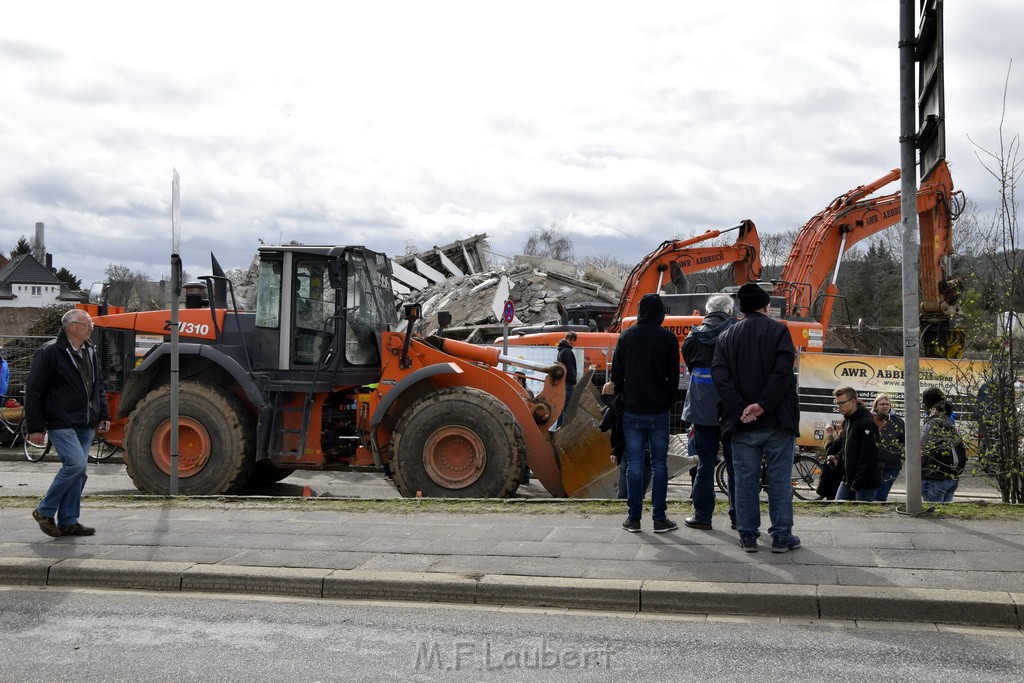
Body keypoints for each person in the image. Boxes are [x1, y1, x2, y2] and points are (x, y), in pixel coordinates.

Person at [712, 282, 801, 553]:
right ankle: (781, 536)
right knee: (779, 480)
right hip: (777, 420)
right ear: (765, 307)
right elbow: (783, 372)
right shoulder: (779, 331)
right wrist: (762, 405)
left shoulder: (726, 336)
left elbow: (720, 375)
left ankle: (748, 535)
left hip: (741, 424)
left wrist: (742, 408)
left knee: (745, 480)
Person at [26, 309, 111, 538]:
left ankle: (68, 521)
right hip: (61, 421)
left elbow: (98, 386)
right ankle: (44, 510)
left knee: (80, 472)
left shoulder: (90, 351)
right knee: (75, 465)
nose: (91, 328)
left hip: (86, 422)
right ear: (71, 326)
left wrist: (103, 415)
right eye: (87, 324)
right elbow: (34, 391)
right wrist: (35, 427)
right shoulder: (50, 352)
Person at [610, 293, 680, 533]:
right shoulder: (668, 338)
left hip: (631, 410)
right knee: (660, 465)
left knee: (634, 466)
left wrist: (624, 395)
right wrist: (667, 400)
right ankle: (659, 518)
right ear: (661, 313)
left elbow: (616, 374)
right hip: (658, 410)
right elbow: (674, 377)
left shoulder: (626, 336)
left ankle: (634, 518)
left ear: (640, 311)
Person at [681, 293, 737, 530]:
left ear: (707, 311)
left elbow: (691, 365)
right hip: (732, 407)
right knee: (736, 465)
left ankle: (703, 516)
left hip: (702, 407)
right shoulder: (736, 332)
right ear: (729, 311)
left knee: (705, 463)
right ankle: (739, 517)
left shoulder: (693, 336)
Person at [827, 387, 880, 502]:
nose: (838, 406)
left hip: (864, 484)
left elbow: (869, 456)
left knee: (862, 517)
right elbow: (849, 448)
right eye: (837, 403)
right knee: (838, 514)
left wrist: (857, 483)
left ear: (853, 402)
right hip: (847, 480)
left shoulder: (867, 423)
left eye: (842, 403)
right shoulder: (848, 422)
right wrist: (838, 456)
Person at [921, 387, 964, 502]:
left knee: (934, 512)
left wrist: (919, 471)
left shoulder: (933, 423)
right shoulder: (950, 421)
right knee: (945, 512)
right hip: (952, 475)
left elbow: (924, 448)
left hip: (935, 477)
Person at [872, 393, 905, 501]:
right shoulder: (870, 419)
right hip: (873, 465)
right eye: (882, 404)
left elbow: (904, 442)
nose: (885, 406)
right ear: (876, 405)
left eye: (887, 404)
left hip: (892, 466)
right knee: (871, 496)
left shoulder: (898, 421)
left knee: (881, 496)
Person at [554, 331, 578, 428]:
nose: (573, 342)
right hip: (567, 384)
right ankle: (562, 429)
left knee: (561, 408)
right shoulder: (567, 352)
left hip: (562, 383)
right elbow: (569, 369)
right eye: (572, 340)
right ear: (568, 339)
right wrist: (573, 381)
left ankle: (558, 429)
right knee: (566, 409)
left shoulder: (561, 351)